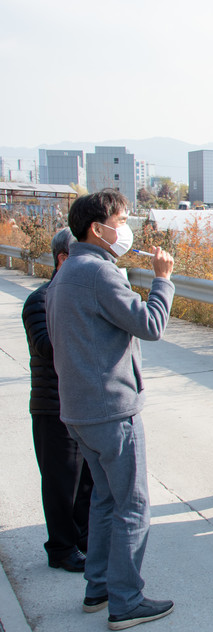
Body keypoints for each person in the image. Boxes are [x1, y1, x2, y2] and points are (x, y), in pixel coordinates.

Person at [46, 189, 176, 629]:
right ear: (97, 229)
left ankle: (98, 587)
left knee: (104, 500)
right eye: (121, 221)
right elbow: (150, 325)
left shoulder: (66, 271)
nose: (126, 229)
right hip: (111, 410)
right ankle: (126, 601)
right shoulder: (101, 273)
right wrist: (162, 280)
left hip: (78, 409)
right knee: (133, 506)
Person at [22, 227, 94, 573]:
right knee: (61, 482)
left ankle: (84, 538)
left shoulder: (82, 295)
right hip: (54, 406)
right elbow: (46, 347)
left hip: (86, 404)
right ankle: (61, 548)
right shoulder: (40, 299)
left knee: (88, 481)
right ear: (63, 259)